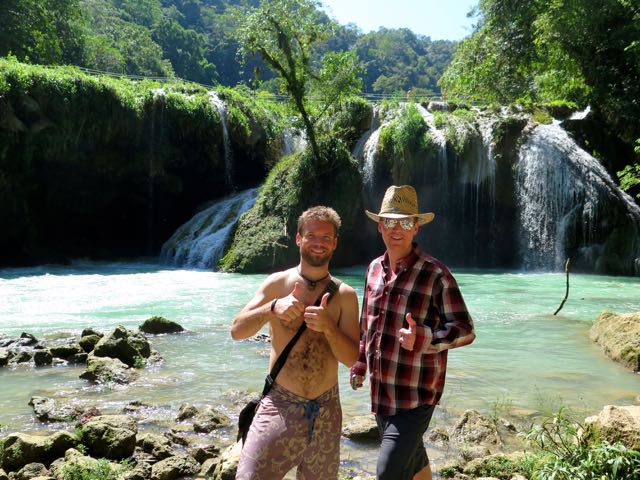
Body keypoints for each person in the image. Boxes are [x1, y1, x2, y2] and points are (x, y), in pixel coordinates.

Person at [350, 185, 476, 480]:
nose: (397, 229)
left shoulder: (436, 274)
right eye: (390, 222)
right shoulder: (372, 270)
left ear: (416, 227)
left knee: (387, 473)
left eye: (406, 222)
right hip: (382, 390)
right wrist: (360, 362)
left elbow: (466, 330)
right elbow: (367, 322)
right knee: (414, 461)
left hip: (416, 396)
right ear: (380, 226)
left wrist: (426, 339)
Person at [231, 206, 360, 480]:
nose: (319, 242)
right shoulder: (277, 284)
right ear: (298, 238)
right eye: (311, 235)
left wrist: (328, 328)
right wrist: (272, 308)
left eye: (326, 237)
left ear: (335, 243)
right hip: (280, 403)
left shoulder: (346, 296)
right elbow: (237, 330)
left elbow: (353, 360)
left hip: (326, 410)